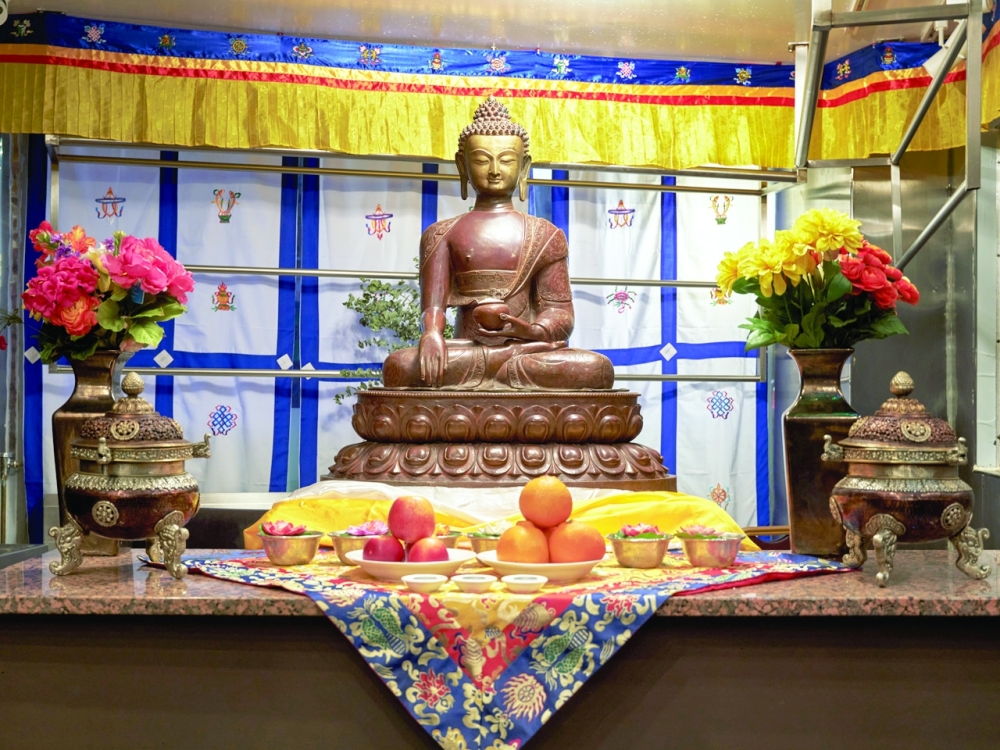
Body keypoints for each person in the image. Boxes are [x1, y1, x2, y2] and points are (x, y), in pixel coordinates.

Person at [382, 97, 613, 391]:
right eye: (481, 160)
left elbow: (560, 313)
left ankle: (493, 382)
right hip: (466, 349)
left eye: (506, 160)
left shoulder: (545, 235)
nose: (494, 170)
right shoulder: (442, 233)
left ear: (524, 167)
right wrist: (431, 335)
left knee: (595, 369)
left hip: (524, 351)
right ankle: (499, 383)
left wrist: (529, 330)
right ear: (462, 167)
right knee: (399, 367)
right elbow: (433, 307)